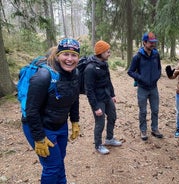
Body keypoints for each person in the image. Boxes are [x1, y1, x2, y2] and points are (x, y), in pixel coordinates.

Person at [22, 38, 81, 183]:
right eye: (65, 54)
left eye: (74, 55)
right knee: (52, 166)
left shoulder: (76, 73)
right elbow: (31, 110)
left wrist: (75, 121)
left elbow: (74, 98)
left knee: (59, 162)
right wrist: (39, 138)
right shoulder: (44, 76)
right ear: (58, 55)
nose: (69, 59)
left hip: (60, 125)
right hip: (39, 126)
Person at [84, 40, 122, 155]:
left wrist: (113, 94)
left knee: (112, 116)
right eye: (107, 51)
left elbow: (108, 81)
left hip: (107, 97)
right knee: (100, 123)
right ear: (101, 53)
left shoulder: (104, 64)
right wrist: (95, 107)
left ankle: (109, 139)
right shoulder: (90, 69)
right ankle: (98, 145)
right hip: (97, 100)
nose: (109, 53)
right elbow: (88, 90)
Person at [128, 32, 163, 141]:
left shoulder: (156, 54)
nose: (153, 44)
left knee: (155, 110)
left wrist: (157, 76)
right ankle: (143, 130)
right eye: (150, 42)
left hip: (153, 88)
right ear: (144, 42)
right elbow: (130, 71)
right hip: (142, 88)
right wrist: (141, 78)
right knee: (143, 111)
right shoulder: (137, 56)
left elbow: (159, 68)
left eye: (154, 42)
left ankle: (154, 128)